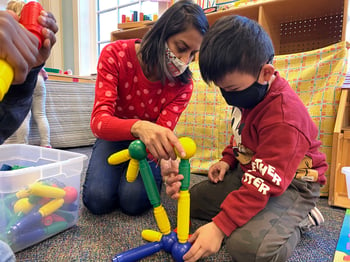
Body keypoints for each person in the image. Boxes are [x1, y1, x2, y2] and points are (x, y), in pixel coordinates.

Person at [161, 15, 327, 262]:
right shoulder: (247, 92)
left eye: (234, 90)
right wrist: (228, 160)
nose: (229, 97)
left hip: (293, 183)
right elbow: (243, 133)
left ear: (265, 73)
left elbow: (265, 178)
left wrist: (220, 227)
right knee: (194, 201)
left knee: (248, 249)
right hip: (254, 171)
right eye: (222, 89)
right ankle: (257, 213)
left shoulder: (285, 118)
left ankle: (300, 218)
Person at [82, 0, 209, 216]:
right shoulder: (115, 54)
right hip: (113, 136)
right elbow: (99, 122)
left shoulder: (183, 86)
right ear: (162, 33)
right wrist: (139, 126)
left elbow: (160, 134)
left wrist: (166, 161)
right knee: (97, 200)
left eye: (192, 54)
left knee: (134, 202)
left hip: (147, 146)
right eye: (181, 48)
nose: (184, 60)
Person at [0, 6, 58, 260]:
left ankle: (28, 146)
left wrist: (32, 69)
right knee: (40, 116)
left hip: (28, 78)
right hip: (33, 80)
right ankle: (45, 146)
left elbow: (6, 119)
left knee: (30, 120)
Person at [6, 0, 51, 148]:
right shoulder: (32, 30)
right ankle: (46, 144)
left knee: (24, 116)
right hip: (38, 79)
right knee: (40, 114)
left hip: (22, 78)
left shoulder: (12, 32)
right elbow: (42, 70)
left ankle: (22, 145)